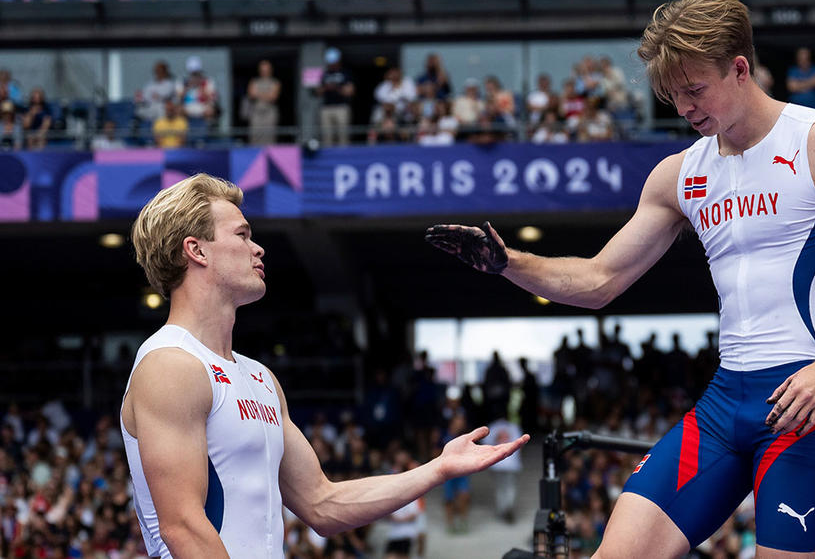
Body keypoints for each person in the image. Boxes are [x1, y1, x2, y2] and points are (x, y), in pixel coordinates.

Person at [426, 0, 815, 557]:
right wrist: (509, 263)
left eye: (694, 89)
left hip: (806, 401)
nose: (683, 108)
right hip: (725, 400)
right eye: (672, 95)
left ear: (740, 68)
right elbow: (599, 279)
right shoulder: (679, 174)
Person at [122, 173, 528, 557]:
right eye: (242, 235)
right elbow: (183, 526)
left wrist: (438, 469)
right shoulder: (170, 364)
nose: (257, 248)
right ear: (196, 250)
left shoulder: (260, 377)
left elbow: (322, 504)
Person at [317, 47, 355, 147]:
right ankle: (328, 159)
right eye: (330, 62)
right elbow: (318, 91)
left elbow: (350, 91)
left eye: (334, 62)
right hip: (327, 107)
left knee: (343, 135)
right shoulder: (324, 74)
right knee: (327, 136)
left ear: (338, 60)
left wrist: (336, 88)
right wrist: (326, 88)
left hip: (341, 107)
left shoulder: (345, 73)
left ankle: (344, 158)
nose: (332, 65)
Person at [246, 59, 281, 145]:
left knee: (269, 136)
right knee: (255, 136)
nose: (264, 72)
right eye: (262, 70)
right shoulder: (254, 81)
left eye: (266, 69)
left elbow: (273, 97)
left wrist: (258, 94)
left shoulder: (275, 82)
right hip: (256, 112)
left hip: (269, 113)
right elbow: (251, 94)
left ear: (270, 70)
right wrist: (267, 94)